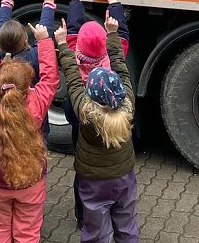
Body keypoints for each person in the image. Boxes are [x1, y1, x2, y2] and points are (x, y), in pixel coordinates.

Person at [0, 17, 59, 243]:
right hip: (30, 182)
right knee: (28, 233)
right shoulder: (36, 104)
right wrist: (45, 41)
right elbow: (50, 79)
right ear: (28, 85)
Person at [57, 14, 139, 242]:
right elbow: (122, 69)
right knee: (127, 222)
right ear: (121, 90)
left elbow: (73, 80)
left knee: (96, 230)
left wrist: (63, 45)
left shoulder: (85, 111)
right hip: (124, 177)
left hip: (93, 181)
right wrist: (113, 34)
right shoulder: (128, 106)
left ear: (90, 94)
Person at [64, 0, 131, 227]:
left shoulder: (74, 63)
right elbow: (121, 35)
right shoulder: (114, 60)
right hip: (116, 160)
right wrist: (114, 3)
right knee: (115, 180)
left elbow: (72, 30)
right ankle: (116, 217)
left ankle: (84, 219)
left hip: (84, 145)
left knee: (83, 177)